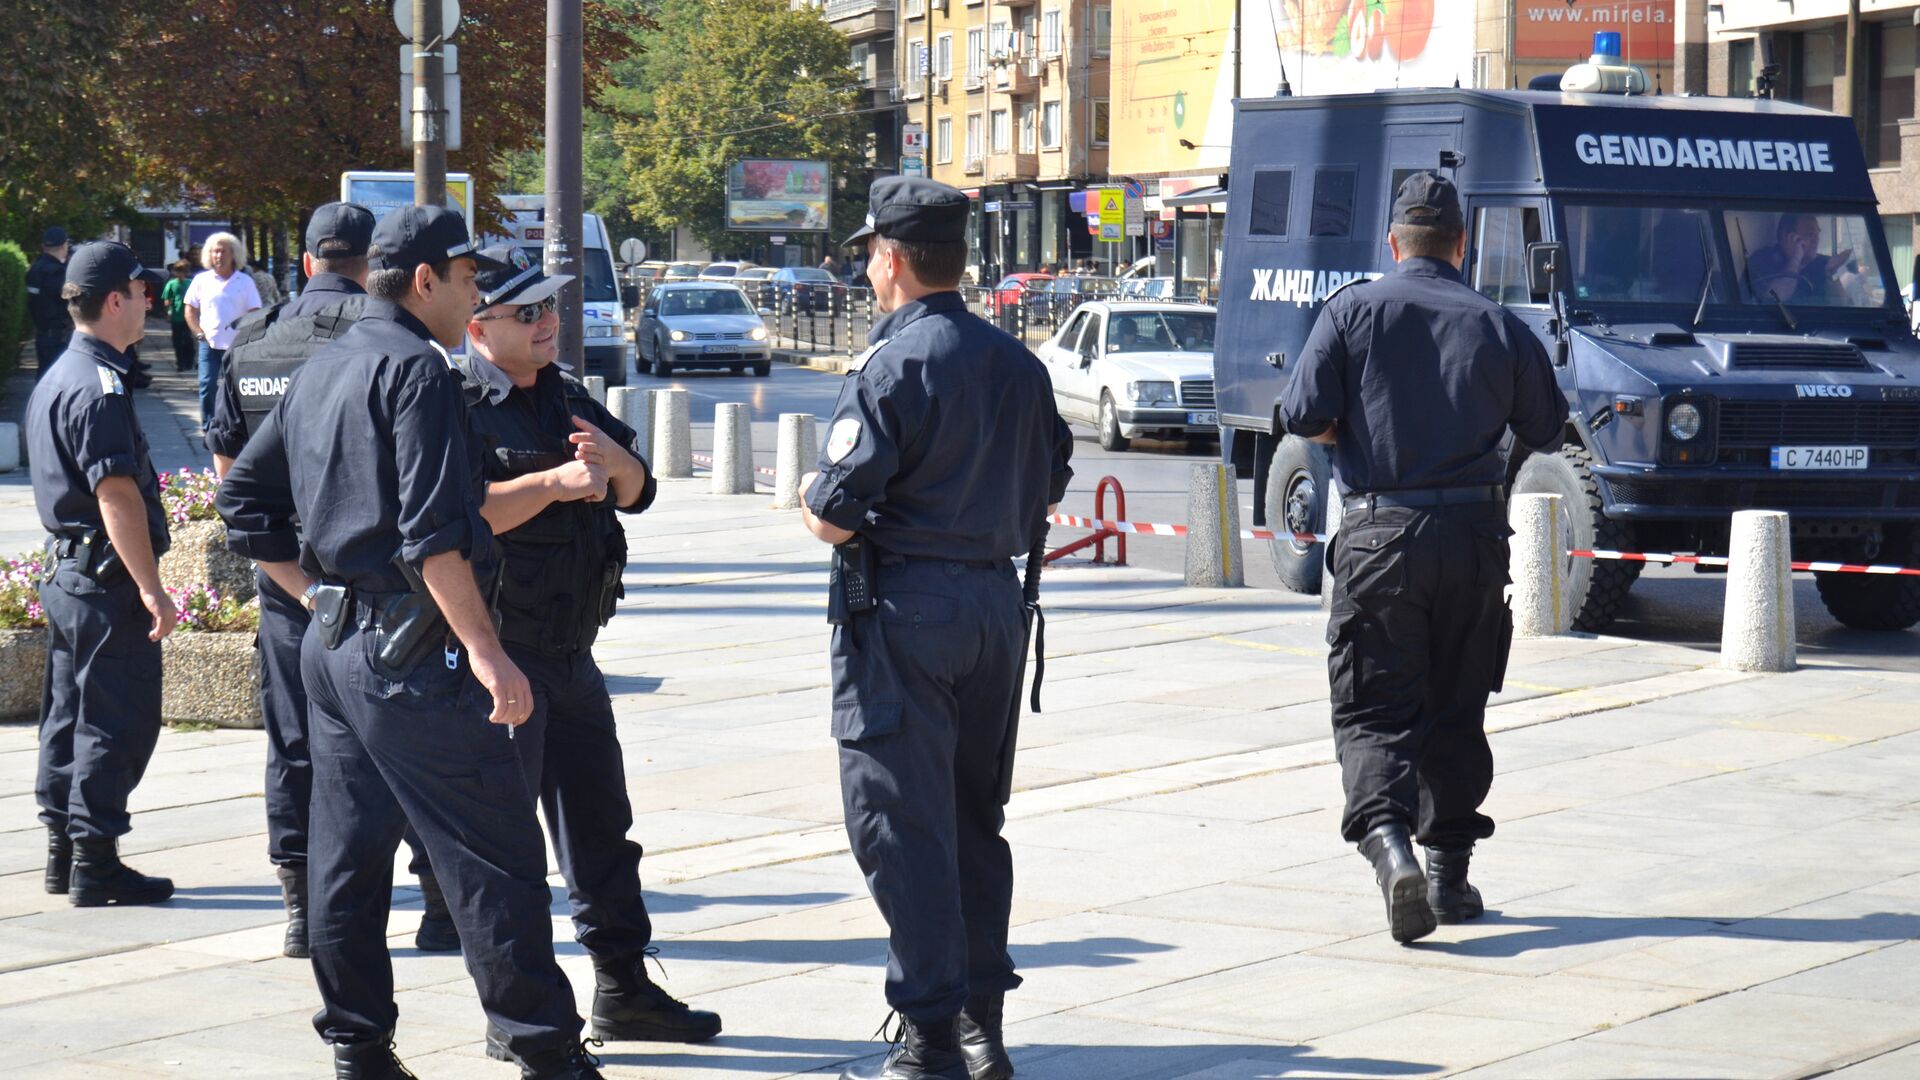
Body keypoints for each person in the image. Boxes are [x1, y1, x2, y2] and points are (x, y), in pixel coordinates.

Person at [215, 206, 605, 1080]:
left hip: (337, 645)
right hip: (411, 652)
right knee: (492, 859)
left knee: (347, 856)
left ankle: (359, 1048)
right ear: (425, 281)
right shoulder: (417, 373)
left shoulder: (325, 367)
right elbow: (434, 535)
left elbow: (243, 503)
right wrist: (490, 653)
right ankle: (548, 1055)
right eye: (469, 278)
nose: (476, 292)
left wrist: (316, 596)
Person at [798, 177, 1073, 1080]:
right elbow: (1052, 478)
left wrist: (810, 501)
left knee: (898, 825)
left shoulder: (893, 363)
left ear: (893, 258)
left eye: (872, 252)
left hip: (903, 614)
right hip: (996, 609)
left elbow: (837, 514)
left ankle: (927, 1038)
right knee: (970, 822)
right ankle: (981, 1026)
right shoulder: (1018, 362)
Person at [434, 244, 723, 1062]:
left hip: (571, 652)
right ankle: (521, 1021)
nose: (548, 323)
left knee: (603, 832)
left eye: (551, 308)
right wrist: (557, 484)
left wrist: (613, 466)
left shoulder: (561, 392)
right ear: (479, 324)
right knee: (508, 851)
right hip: (498, 654)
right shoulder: (454, 401)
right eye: (527, 313)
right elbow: (457, 519)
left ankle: (623, 990)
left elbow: (638, 488)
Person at [1279, 172, 1562, 944]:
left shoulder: (1353, 310)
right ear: (1462, 245)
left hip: (1379, 534)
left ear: (1392, 243)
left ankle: (1391, 848)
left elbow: (1302, 413)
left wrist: (1355, 438)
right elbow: (1547, 422)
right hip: (1473, 539)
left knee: (1374, 710)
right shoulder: (1499, 322)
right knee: (1456, 706)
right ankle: (1448, 877)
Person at [204, 201, 375, 960]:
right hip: (374, 574)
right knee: (406, 735)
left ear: (306, 263)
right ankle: (437, 903)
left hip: (287, 578)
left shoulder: (252, 342)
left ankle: (303, 910)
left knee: (294, 739)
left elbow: (229, 474)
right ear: (371, 267)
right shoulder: (388, 341)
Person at [26, 241, 178, 908]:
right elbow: (116, 495)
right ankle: (96, 861)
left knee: (68, 714)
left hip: (69, 575)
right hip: (103, 579)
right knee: (112, 719)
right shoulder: (102, 384)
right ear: (115, 300)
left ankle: (64, 851)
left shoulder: (62, 373)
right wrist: (152, 589)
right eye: (142, 292)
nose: (150, 301)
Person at [184, 231, 262, 433]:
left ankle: (237, 425)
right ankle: (209, 426)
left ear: (233, 254)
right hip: (208, 344)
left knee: (236, 388)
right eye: (214, 251)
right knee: (207, 385)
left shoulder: (245, 282)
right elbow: (190, 310)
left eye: (223, 251)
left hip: (236, 346)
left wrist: (247, 336)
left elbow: (255, 312)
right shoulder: (201, 280)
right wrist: (199, 333)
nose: (218, 256)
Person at [1747, 213, 1851, 303]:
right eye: (1810, 234)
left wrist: (1832, 274)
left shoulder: (1824, 263)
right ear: (1788, 236)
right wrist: (1795, 259)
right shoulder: (1763, 260)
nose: (1816, 240)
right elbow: (1772, 301)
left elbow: (1843, 307)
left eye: (1817, 234)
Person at [25, 226, 74, 377]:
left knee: (45, 379)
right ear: (63, 245)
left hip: (43, 335)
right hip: (59, 337)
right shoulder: (58, 273)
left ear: (43, 246)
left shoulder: (35, 270)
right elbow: (73, 298)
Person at [161, 261, 195, 371]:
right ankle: (180, 363)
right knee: (177, 341)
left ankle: (189, 362)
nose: (179, 274)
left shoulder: (190, 283)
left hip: (189, 316)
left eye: (182, 271)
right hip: (176, 316)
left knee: (188, 340)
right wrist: (167, 311)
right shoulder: (171, 284)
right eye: (177, 271)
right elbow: (167, 299)